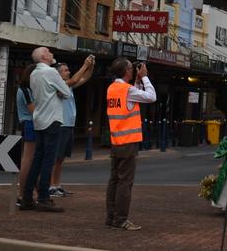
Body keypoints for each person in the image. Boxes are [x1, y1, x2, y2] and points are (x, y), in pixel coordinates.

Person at [105, 57, 156, 230]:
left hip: (116, 139)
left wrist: (137, 81)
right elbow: (151, 97)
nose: (133, 69)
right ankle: (121, 220)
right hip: (129, 142)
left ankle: (111, 217)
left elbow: (132, 98)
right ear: (127, 71)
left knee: (114, 180)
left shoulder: (113, 88)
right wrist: (145, 78)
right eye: (131, 68)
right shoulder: (126, 90)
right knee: (125, 182)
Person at [19, 47, 72, 213]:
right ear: (43, 57)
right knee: (48, 159)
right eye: (49, 52)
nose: (52, 54)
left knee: (37, 159)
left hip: (39, 119)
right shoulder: (51, 72)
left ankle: (27, 197)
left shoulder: (34, 74)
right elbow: (66, 92)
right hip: (52, 119)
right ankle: (43, 198)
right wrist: (58, 91)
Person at [49, 55, 95, 198]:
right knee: (55, 157)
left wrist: (91, 66)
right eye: (65, 70)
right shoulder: (58, 87)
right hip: (60, 125)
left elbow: (84, 78)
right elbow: (75, 79)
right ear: (58, 74)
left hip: (69, 125)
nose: (68, 72)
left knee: (61, 158)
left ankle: (57, 184)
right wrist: (84, 65)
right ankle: (50, 185)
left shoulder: (68, 86)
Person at [15, 64, 37, 208]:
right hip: (30, 123)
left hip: (28, 123)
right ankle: (22, 193)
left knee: (31, 158)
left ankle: (29, 192)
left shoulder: (25, 90)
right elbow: (33, 110)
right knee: (28, 158)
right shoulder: (26, 90)